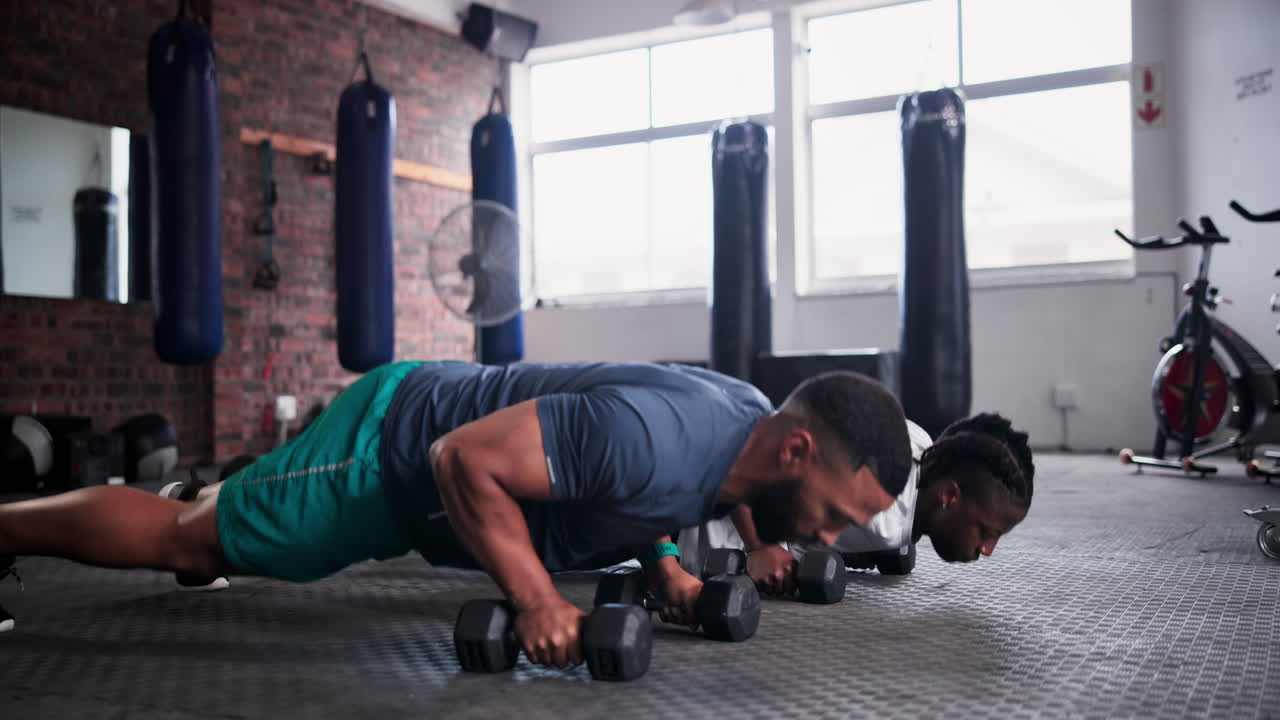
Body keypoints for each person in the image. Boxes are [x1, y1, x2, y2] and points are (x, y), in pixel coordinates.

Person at [0, 360, 912, 668]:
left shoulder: (739, 431)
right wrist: (533, 599)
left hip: (424, 477)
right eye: (834, 512)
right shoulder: (658, 437)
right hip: (392, 452)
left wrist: (664, 564)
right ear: (796, 452)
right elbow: (461, 460)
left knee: (216, 539)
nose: (831, 539)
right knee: (187, 546)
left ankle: (231, 496)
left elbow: (634, 495)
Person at [677, 413, 1035, 594]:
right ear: (949, 496)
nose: (987, 549)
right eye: (988, 532)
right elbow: (746, 450)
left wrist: (842, 546)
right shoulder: (883, 514)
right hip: (689, 518)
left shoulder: (918, 442)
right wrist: (760, 547)